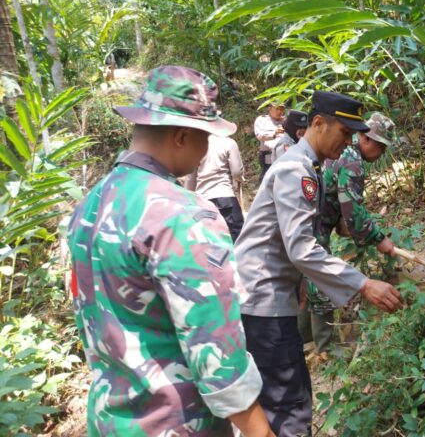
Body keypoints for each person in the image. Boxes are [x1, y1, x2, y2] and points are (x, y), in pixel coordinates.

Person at [67, 65, 274, 437]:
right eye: (205, 138)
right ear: (181, 136)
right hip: (179, 424)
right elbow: (217, 357)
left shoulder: (90, 205)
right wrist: (262, 432)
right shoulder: (182, 215)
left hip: (109, 422)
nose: (205, 150)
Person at [235, 91, 404, 437]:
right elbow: (302, 248)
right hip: (262, 303)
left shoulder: (306, 165)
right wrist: (364, 284)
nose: (348, 141)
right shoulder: (296, 170)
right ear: (318, 123)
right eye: (344, 132)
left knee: (279, 403)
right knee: (289, 411)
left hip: (266, 297)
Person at [302, 112, 397, 355]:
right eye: (381, 147)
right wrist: (378, 239)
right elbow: (354, 212)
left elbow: (339, 202)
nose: (382, 154)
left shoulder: (342, 155)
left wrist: (344, 224)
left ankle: (304, 339)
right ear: (365, 139)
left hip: (314, 221)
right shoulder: (352, 161)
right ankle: (324, 347)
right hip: (315, 225)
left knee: (304, 277)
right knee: (319, 278)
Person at [185, 129, 246, 242]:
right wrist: (239, 179)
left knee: (208, 238)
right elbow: (237, 172)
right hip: (225, 196)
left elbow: (190, 177)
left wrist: (188, 198)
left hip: (202, 198)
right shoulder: (229, 143)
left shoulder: (197, 145)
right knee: (236, 236)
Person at [253, 101, 285, 181]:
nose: (279, 111)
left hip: (285, 157)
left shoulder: (286, 121)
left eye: (281, 109)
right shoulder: (262, 120)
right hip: (268, 158)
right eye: (277, 109)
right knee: (268, 181)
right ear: (269, 108)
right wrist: (274, 133)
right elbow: (260, 135)